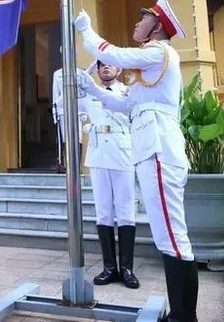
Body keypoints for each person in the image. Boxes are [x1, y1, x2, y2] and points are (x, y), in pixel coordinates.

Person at [74, 0, 198, 322]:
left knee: (172, 236)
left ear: (156, 26)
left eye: (142, 18)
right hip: (149, 152)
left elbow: (114, 54)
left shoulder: (158, 52)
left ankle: (185, 317)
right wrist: (93, 89)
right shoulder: (150, 64)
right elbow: (124, 104)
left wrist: (87, 32)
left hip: (158, 150)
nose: (136, 23)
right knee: (166, 235)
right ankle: (180, 314)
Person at [82, 60, 139, 289]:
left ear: (119, 69)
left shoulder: (128, 92)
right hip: (98, 155)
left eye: (110, 65)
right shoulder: (88, 95)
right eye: (101, 65)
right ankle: (109, 268)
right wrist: (84, 75)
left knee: (126, 211)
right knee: (103, 211)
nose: (105, 68)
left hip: (122, 153)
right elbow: (65, 105)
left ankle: (126, 268)